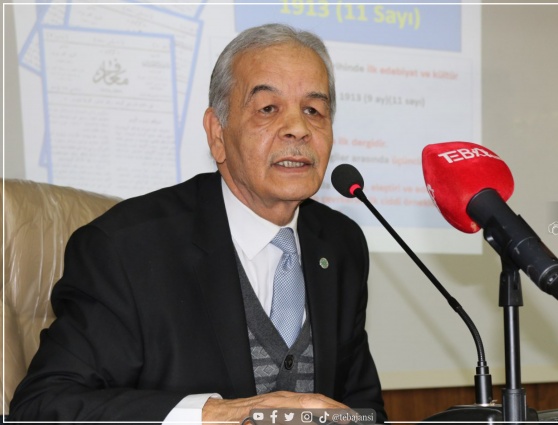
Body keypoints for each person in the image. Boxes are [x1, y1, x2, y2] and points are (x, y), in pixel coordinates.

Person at [9, 23, 387, 423]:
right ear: (217, 134)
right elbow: (41, 407)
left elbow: (363, 410)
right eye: (268, 108)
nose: (298, 128)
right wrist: (215, 414)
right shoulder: (125, 249)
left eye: (313, 110)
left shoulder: (340, 243)